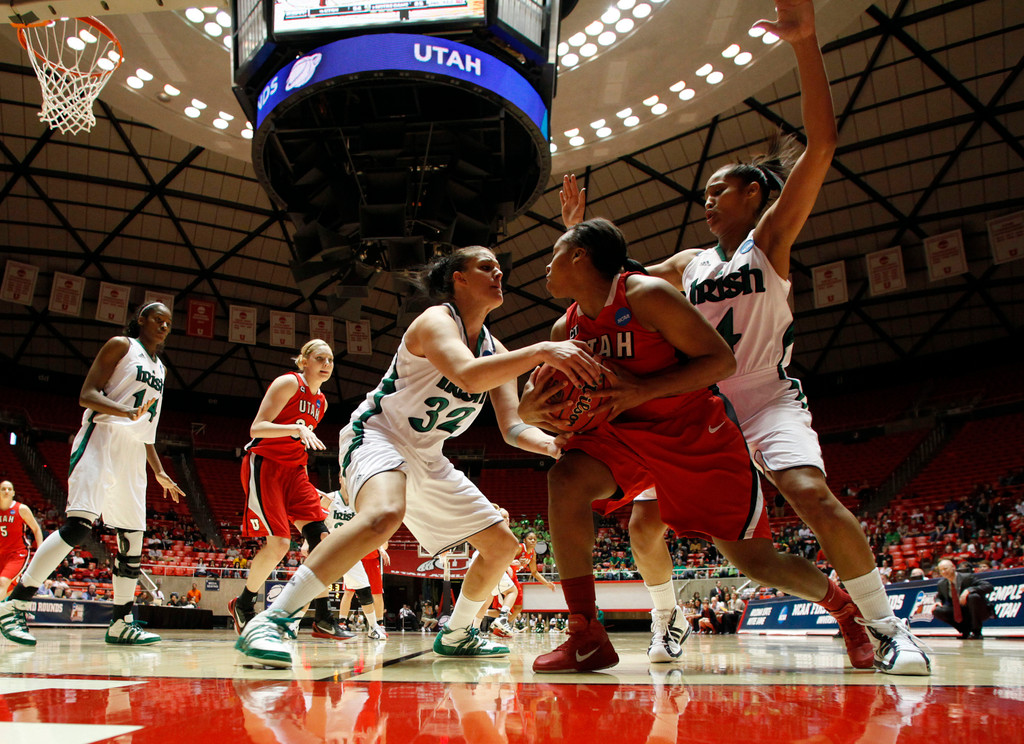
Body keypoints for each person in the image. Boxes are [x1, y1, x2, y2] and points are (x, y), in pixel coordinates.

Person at [558, 0, 929, 677]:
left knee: (810, 493)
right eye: (704, 193)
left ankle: (885, 623)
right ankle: (666, 617)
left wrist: (806, 46)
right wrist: (580, 234)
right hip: (692, 408)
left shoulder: (771, 244)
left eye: (719, 190)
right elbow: (615, 283)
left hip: (760, 396)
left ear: (755, 196)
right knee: (644, 526)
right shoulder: (682, 266)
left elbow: (822, 146)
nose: (707, 199)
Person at [519, 217, 882, 674]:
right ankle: (586, 634)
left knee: (756, 563)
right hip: (625, 437)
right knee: (566, 478)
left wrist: (641, 391)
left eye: (554, 253)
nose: (545, 267)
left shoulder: (646, 295)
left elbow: (720, 361)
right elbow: (554, 411)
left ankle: (846, 609)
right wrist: (532, 414)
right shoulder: (563, 331)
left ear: (578, 256)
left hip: (692, 434)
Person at [234, 245, 603, 668]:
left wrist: (554, 445)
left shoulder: (495, 349)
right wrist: (541, 351)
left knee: (502, 546)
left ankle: (460, 632)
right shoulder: (435, 321)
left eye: (501, 267)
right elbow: (465, 374)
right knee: (385, 513)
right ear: (458, 278)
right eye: (486, 267)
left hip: (427, 454)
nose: (499, 273)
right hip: (377, 435)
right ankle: (275, 618)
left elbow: (513, 428)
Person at [0, 302, 183, 647]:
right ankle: (15, 604)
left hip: (132, 451)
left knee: (133, 541)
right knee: (78, 527)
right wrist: (125, 411)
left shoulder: (161, 368)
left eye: (169, 323)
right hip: (101, 438)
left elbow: (146, 429)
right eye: (157, 319)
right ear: (141, 320)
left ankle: (121, 622)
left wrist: (159, 470)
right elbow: (87, 395)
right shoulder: (121, 346)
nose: (163, 326)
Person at [227, 340, 345, 640]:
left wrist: (307, 485)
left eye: (330, 359)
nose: (327, 364)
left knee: (322, 540)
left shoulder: (322, 402)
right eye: (320, 358)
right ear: (303, 361)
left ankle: (322, 617)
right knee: (279, 544)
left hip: (296, 471)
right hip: (266, 465)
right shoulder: (288, 383)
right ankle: (243, 604)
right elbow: (257, 429)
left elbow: (300, 443)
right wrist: (295, 428)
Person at [321, 487, 385, 640]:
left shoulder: (361, 502)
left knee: (364, 588)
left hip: (350, 550)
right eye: (345, 476)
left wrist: (380, 546)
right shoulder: (329, 498)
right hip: (330, 547)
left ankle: (373, 628)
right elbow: (315, 521)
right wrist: (306, 542)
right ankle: (292, 623)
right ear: (340, 479)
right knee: (312, 586)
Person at [0, 480, 44, 600]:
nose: (6, 491)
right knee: (7, 589)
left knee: (3, 582)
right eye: (3, 489)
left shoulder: (21, 509)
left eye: (9, 489)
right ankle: (10, 612)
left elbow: (36, 529)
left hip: (17, 553)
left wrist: (40, 549)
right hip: (1, 553)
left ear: (13, 493)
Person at [508, 530, 557, 628]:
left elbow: (534, 572)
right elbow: (505, 558)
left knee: (518, 608)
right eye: (530, 539)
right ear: (525, 540)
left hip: (513, 577)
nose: (533, 541)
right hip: (505, 575)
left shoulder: (532, 553)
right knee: (504, 607)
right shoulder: (520, 547)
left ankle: (502, 625)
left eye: (535, 539)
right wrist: (515, 561)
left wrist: (547, 584)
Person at [934, 560, 993, 639]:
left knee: (973, 597)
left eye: (945, 568)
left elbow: (988, 586)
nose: (944, 572)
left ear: (953, 567)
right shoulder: (941, 584)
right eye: (941, 570)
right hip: (960, 611)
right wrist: (938, 602)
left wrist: (969, 590)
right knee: (937, 610)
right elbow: (939, 596)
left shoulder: (967, 577)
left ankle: (977, 632)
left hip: (978, 610)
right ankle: (965, 631)